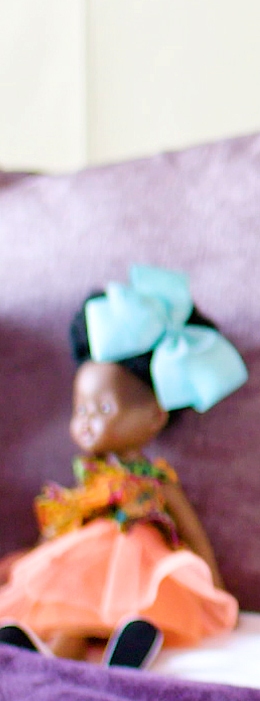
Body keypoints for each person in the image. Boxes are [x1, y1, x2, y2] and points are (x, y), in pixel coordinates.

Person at [0, 267, 244, 667]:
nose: (88, 421)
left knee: (141, 607)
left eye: (104, 408)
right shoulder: (87, 478)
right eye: (81, 409)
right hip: (83, 558)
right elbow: (62, 529)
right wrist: (32, 560)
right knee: (68, 606)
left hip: (141, 560)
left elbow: (191, 532)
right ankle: (50, 658)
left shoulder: (156, 481)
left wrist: (214, 588)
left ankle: (126, 653)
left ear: (154, 416)